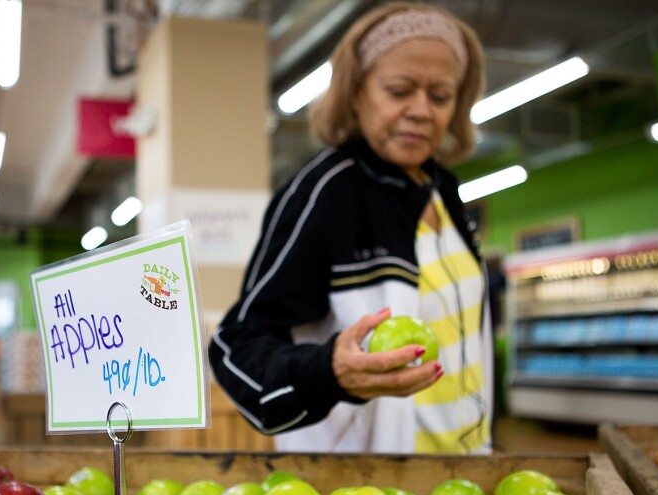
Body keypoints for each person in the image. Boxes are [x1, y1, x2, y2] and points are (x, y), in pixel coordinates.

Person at [208, 1, 493, 454]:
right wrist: (328, 372)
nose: (421, 110)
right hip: (359, 490)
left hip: (462, 472)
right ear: (356, 92)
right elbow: (236, 344)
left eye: (440, 96)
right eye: (400, 90)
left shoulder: (445, 191)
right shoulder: (326, 192)